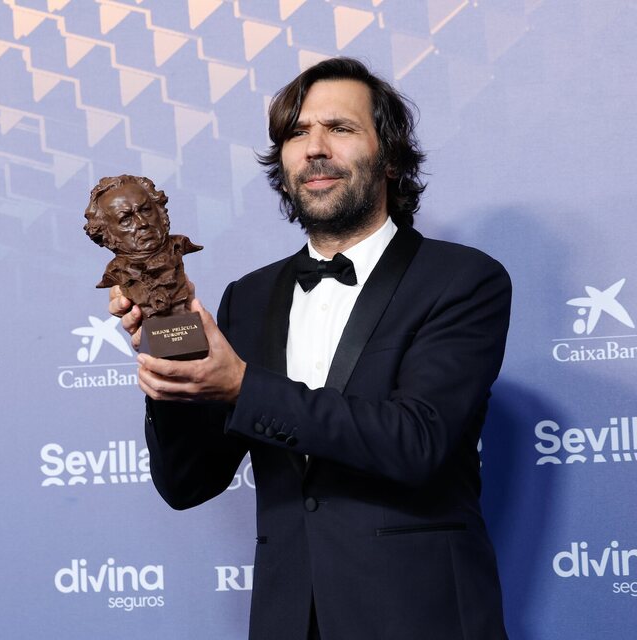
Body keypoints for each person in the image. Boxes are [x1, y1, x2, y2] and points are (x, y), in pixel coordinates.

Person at [109, 58, 510, 640]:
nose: (314, 148)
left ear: (391, 157)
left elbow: (417, 441)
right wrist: (171, 338)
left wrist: (245, 385)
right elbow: (188, 483)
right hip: (288, 620)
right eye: (296, 133)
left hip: (421, 618)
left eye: (340, 128)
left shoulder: (462, 279)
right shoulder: (248, 297)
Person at [85, 174, 201, 320]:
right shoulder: (115, 272)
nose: (142, 223)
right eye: (126, 219)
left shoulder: (179, 247)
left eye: (146, 210)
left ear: (160, 211)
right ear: (107, 233)